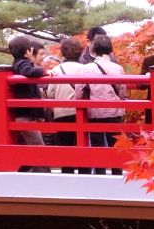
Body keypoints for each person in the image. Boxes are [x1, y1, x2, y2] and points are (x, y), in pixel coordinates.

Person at [84, 34, 126, 174]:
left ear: (94, 50)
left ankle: (99, 173)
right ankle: (116, 173)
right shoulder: (117, 68)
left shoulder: (88, 68)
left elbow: (80, 90)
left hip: (95, 111)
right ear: (110, 50)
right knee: (115, 144)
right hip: (114, 110)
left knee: (97, 144)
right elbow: (122, 92)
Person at [45, 37, 86, 173]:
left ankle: (67, 173)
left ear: (62, 52)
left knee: (65, 146)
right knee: (82, 145)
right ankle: (84, 172)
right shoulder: (84, 69)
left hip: (61, 112)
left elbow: (50, 93)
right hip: (82, 112)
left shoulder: (57, 69)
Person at [8, 35, 49, 172]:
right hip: (25, 115)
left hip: (25, 113)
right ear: (27, 52)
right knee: (38, 147)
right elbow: (29, 72)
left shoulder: (19, 63)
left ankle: (20, 174)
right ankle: (45, 176)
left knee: (28, 147)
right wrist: (44, 72)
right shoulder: (21, 64)